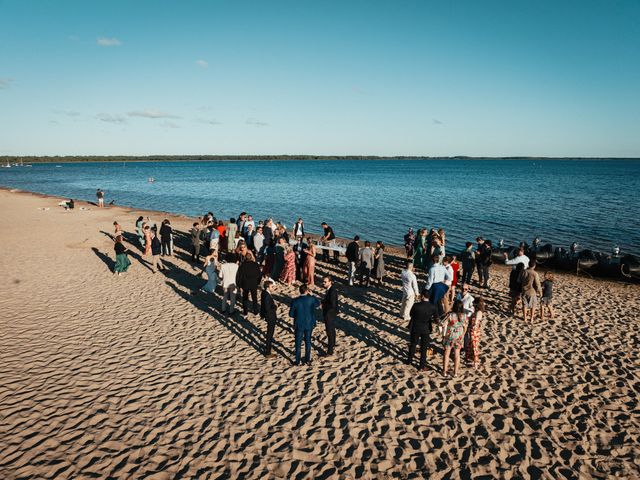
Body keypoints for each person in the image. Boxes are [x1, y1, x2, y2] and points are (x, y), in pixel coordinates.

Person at [289, 284, 321, 366]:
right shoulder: (311, 299)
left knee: (298, 343)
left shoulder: (295, 301)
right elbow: (318, 303)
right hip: (309, 323)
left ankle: (298, 360)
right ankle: (307, 360)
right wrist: (313, 295)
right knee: (308, 342)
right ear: (307, 291)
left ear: (299, 291)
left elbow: (291, 314)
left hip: (299, 324)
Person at [406, 290, 438, 371]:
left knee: (413, 344)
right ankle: (421, 366)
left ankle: (409, 361)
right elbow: (436, 318)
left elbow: (411, 314)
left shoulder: (416, 305)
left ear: (423, 296)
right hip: (426, 328)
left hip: (415, 327)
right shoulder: (433, 307)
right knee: (424, 348)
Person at [443, 300, 468, 377]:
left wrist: (443, 335)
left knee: (446, 354)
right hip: (459, 337)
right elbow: (465, 327)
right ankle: (455, 373)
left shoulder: (450, 315)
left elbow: (444, 325)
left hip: (449, 336)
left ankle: (444, 372)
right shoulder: (464, 316)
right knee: (457, 355)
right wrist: (462, 335)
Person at [260, 279, 278, 358]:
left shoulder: (264, 292)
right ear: (267, 287)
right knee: (270, 334)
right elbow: (268, 308)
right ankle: (268, 351)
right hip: (270, 316)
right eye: (271, 287)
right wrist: (275, 306)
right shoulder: (267, 295)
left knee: (269, 333)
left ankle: (268, 347)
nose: (273, 288)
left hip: (268, 315)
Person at [321, 276, 338, 356]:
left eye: (325, 282)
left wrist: (323, 305)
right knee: (332, 329)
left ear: (330, 282)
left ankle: (330, 351)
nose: (323, 283)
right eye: (323, 281)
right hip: (331, 313)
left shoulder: (332, 291)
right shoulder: (331, 289)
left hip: (329, 313)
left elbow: (332, 304)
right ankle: (333, 344)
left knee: (329, 331)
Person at [465, 297, 485, 369]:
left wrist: (470, 328)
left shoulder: (478, 312)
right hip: (474, 330)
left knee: (474, 345)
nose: (472, 304)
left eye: (473, 303)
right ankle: (473, 360)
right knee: (472, 345)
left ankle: (476, 362)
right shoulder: (477, 311)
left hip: (474, 330)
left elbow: (475, 322)